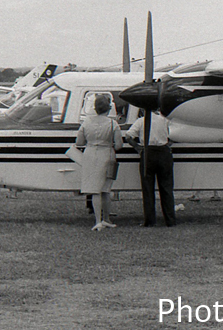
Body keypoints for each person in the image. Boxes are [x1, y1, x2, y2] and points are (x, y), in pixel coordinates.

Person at [75, 95, 123, 231]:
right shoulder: (113, 124)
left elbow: (79, 142)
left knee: (94, 189)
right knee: (106, 189)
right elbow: (119, 145)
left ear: (95, 108)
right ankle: (106, 218)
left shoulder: (86, 122)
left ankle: (98, 220)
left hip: (90, 154)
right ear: (108, 108)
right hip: (107, 153)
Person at [125, 110, 177, 227]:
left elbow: (128, 136)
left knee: (148, 188)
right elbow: (176, 134)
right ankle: (170, 220)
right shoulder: (165, 120)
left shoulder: (141, 121)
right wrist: (168, 144)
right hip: (164, 152)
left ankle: (150, 220)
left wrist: (137, 147)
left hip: (147, 152)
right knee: (166, 188)